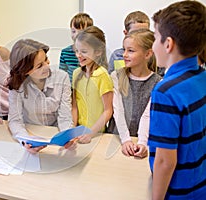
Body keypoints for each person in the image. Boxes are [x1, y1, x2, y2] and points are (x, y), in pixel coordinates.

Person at [148, 1, 206, 199]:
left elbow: (165, 162)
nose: (153, 45)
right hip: (200, 185)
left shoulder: (165, 91)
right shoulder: (202, 76)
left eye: (155, 38)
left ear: (168, 44)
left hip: (178, 192)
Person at [7, 39, 73, 154]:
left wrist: (67, 136)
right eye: (39, 66)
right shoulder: (17, 86)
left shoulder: (62, 77)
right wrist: (26, 141)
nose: (47, 66)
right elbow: (15, 120)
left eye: (46, 59)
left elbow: (65, 115)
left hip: (55, 136)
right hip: (30, 132)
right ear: (25, 70)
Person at [110, 29, 162, 158]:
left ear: (148, 54)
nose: (125, 55)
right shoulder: (116, 76)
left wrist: (142, 143)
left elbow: (147, 116)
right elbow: (118, 110)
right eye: (124, 49)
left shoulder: (158, 82)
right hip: (117, 137)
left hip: (142, 140)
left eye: (131, 51)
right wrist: (125, 140)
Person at [72, 26, 113, 144]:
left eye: (84, 52)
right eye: (77, 51)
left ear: (98, 52)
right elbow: (74, 106)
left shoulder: (102, 76)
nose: (78, 55)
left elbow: (108, 110)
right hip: (78, 133)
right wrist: (72, 130)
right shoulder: (76, 74)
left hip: (97, 135)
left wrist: (90, 134)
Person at [59, 13, 93, 83]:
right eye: (73, 31)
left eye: (81, 31)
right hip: (71, 90)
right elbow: (62, 76)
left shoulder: (93, 52)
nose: (76, 35)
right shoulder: (65, 52)